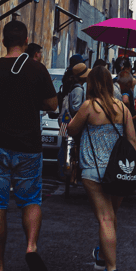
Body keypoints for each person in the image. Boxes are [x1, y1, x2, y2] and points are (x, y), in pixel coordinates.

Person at [0, 20, 59, 271]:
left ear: (2, 40)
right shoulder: (37, 69)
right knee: (31, 200)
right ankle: (31, 247)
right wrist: (30, 102)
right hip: (29, 146)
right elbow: (52, 104)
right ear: (26, 41)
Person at [67, 64, 136, 271]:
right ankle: (102, 257)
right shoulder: (123, 108)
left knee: (105, 218)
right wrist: (131, 167)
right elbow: (132, 140)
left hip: (93, 169)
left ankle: (111, 270)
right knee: (111, 216)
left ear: (91, 84)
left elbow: (71, 130)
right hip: (119, 171)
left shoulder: (89, 106)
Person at [56, 55, 90, 189]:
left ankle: (62, 171)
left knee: (64, 143)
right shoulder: (78, 88)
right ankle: (66, 173)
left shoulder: (68, 79)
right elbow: (76, 107)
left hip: (64, 117)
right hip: (69, 119)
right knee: (69, 145)